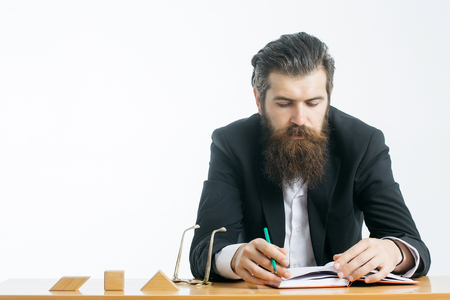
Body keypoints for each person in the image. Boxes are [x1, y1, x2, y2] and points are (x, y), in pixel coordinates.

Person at [189, 32, 430, 285]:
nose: (300, 119)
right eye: (284, 104)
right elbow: (204, 249)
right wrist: (235, 257)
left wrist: (392, 251)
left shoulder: (362, 142)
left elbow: (413, 245)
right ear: (259, 100)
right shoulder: (232, 143)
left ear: (329, 97)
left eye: (314, 103)